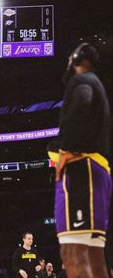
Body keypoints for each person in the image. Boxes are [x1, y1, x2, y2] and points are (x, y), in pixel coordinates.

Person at [48, 43, 112, 278]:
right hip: (96, 172)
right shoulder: (98, 84)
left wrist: (66, 149)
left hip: (81, 173)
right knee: (94, 256)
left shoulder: (82, 80)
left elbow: (82, 101)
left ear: (77, 58)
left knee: (72, 254)